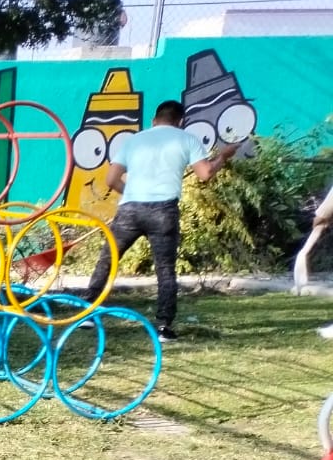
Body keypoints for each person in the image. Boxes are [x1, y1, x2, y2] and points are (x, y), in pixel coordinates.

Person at [83, 99, 242, 342]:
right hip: (163, 211)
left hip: (130, 209)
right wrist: (224, 156)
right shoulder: (187, 139)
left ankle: (86, 314)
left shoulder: (133, 140)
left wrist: (135, 195)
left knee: (108, 259)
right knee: (165, 270)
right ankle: (164, 327)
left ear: (154, 120)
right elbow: (205, 174)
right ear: (180, 121)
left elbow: (111, 180)